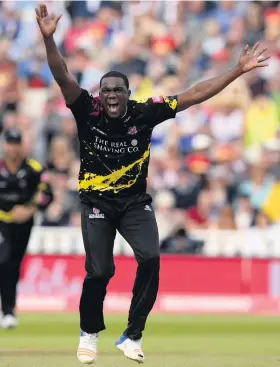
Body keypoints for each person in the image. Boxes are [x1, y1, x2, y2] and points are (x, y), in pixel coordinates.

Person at [36, 3, 270, 364]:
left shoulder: (145, 112)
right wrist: (49, 41)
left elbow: (193, 94)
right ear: (99, 94)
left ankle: (132, 334)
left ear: (128, 93)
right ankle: (89, 333)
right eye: (106, 90)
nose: (111, 95)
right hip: (96, 202)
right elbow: (61, 73)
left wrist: (237, 71)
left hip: (134, 203)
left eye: (118, 90)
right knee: (100, 270)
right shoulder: (86, 108)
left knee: (151, 258)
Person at [0, 128, 53, 329]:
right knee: (3, 260)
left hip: (24, 224)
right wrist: (10, 210)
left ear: (21, 146)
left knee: (13, 265)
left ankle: (8, 310)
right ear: (5, 146)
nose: (13, 148)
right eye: (10, 144)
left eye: (16, 144)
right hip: (2, 221)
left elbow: (47, 195)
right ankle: (7, 311)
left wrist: (30, 210)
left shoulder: (34, 168)